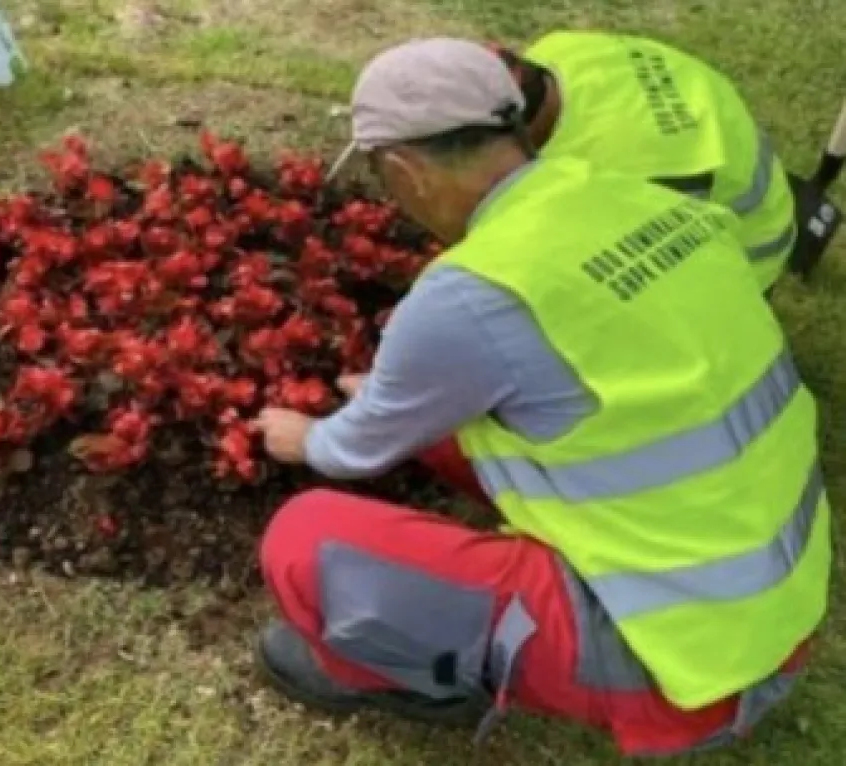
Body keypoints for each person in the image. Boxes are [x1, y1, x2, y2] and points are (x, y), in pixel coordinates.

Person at [251, 38, 831, 757]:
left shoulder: (474, 291)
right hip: (775, 605)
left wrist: (301, 435)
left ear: (403, 170)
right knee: (444, 420)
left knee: (306, 542)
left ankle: (403, 675)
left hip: (685, 670)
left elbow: (352, 451)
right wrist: (404, 394)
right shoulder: (637, 197)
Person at [481, 30, 799, 294]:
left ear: (517, 135)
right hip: (740, 173)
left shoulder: (626, 173)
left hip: (750, 251)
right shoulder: (561, 49)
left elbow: (638, 284)